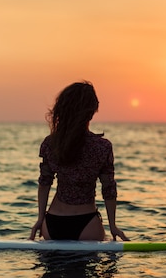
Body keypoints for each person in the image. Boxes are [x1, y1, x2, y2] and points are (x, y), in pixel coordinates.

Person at [29, 81, 129, 241]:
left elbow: (44, 183)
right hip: (87, 223)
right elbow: (109, 188)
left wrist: (40, 219)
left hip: (53, 222)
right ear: (91, 112)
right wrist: (113, 226)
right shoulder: (102, 147)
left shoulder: (50, 143)